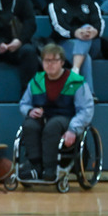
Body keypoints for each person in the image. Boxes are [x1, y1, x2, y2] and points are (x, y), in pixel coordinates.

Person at [17, 43, 93, 182]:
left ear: (62, 62)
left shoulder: (75, 82)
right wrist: (29, 110)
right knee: (29, 124)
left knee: (53, 126)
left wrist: (73, 129)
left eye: (54, 60)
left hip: (67, 118)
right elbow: (23, 103)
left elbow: (86, 109)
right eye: (46, 60)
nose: (50, 64)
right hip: (44, 117)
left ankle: (50, 169)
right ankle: (35, 166)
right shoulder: (36, 80)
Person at [48, 0, 104, 95]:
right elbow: (58, 27)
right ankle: (89, 94)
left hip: (92, 44)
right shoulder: (55, 4)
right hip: (66, 44)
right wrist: (75, 33)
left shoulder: (91, 4)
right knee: (85, 57)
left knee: (87, 26)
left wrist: (93, 31)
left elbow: (100, 25)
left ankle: (75, 70)